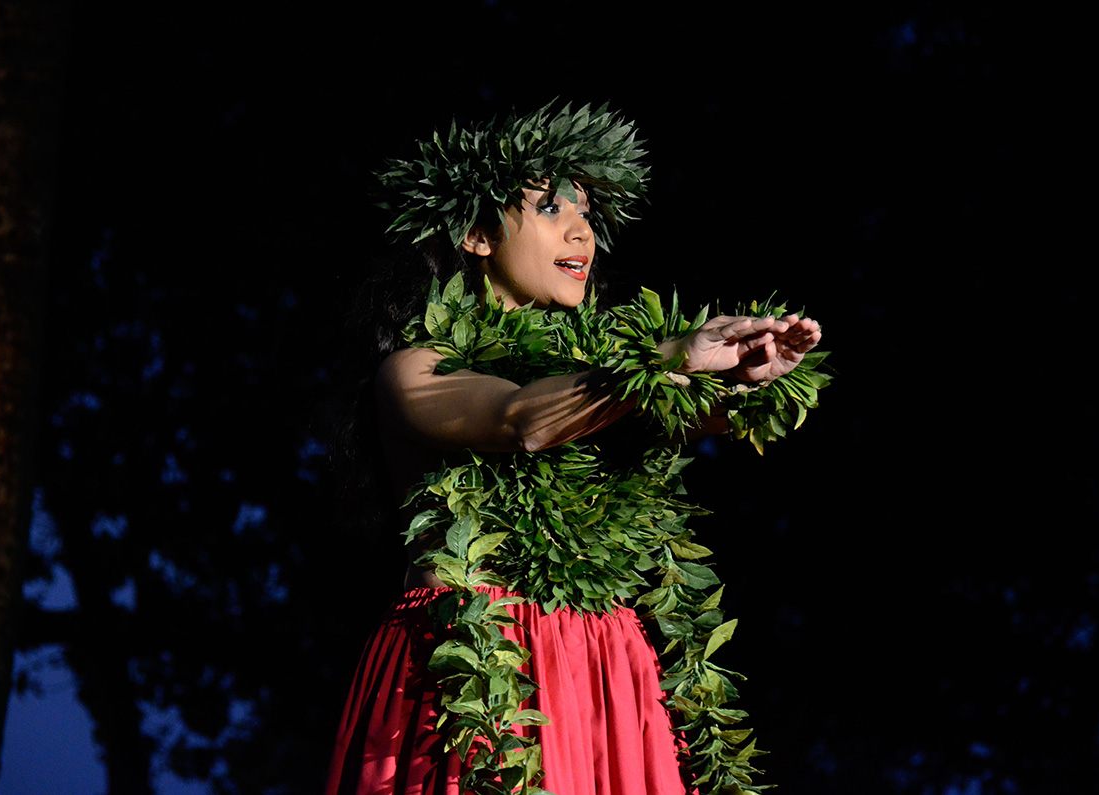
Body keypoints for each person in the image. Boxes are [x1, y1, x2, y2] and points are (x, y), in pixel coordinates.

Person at [326, 103, 825, 795]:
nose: (581, 230)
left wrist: (742, 374)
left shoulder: (607, 384)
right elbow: (519, 419)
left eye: (587, 212)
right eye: (552, 206)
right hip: (479, 666)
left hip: (611, 672)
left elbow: (696, 418)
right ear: (476, 232)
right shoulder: (413, 370)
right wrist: (673, 353)